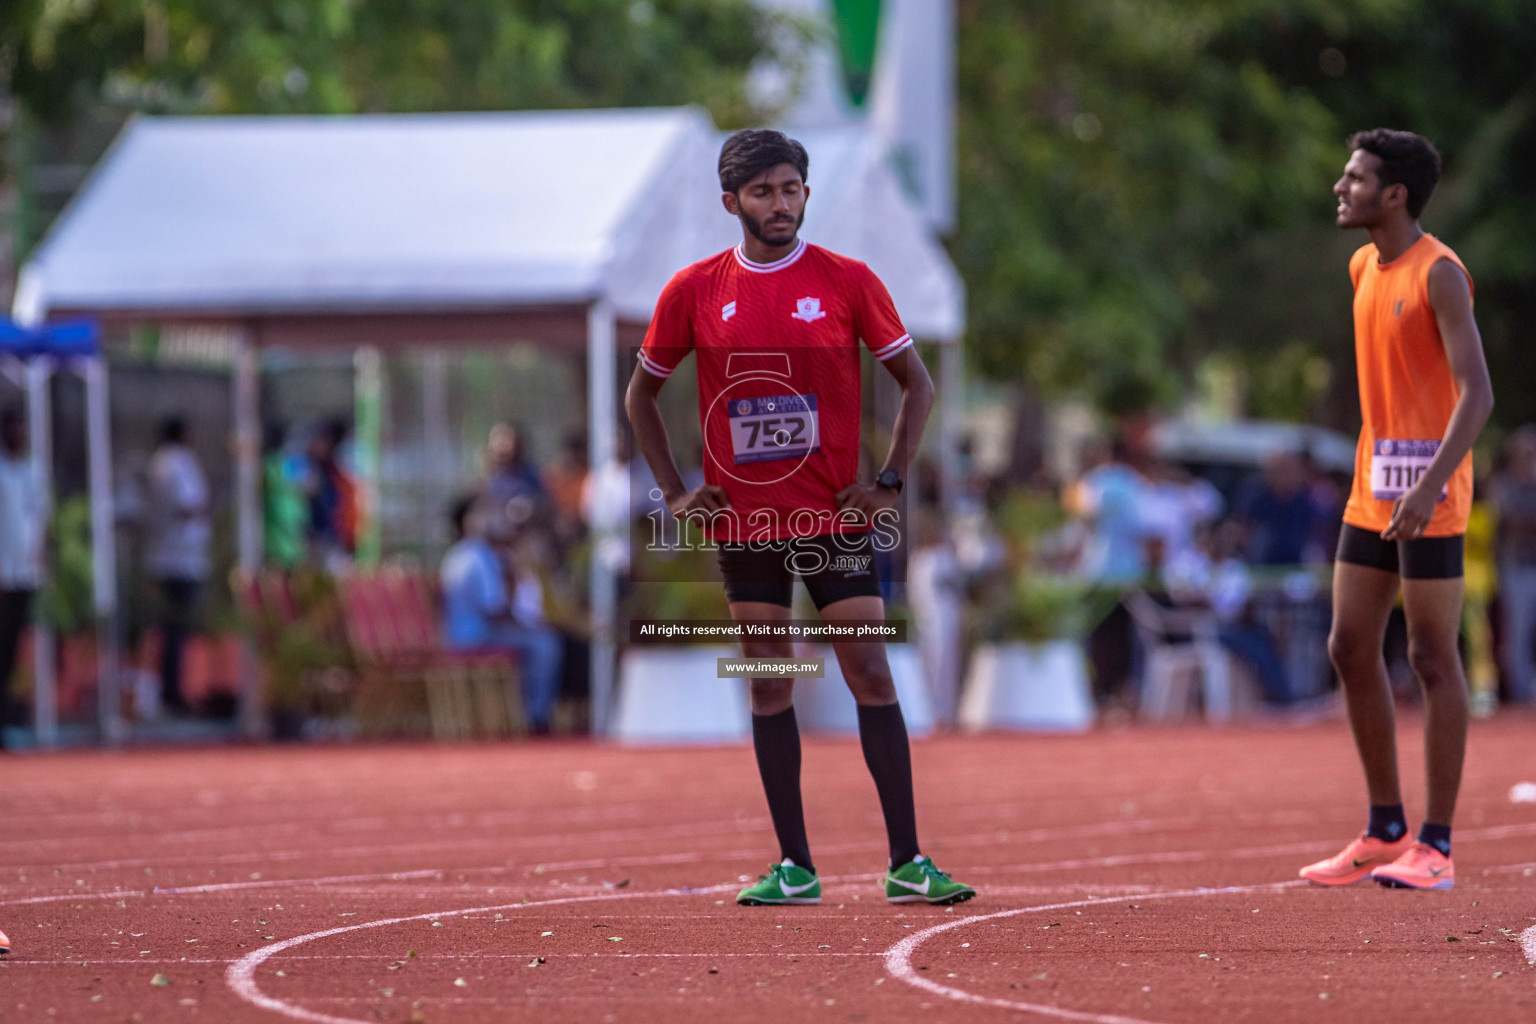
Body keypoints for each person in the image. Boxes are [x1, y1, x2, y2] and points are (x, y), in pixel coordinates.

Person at [625, 128, 975, 907]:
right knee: (769, 685)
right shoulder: (693, 290)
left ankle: (908, 861)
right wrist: (677, 492)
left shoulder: (847, 282)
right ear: (731, 203)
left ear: (806, 193)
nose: (779, 205)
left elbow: (916, 384)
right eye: (762, 193)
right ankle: (795, 866)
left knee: (870, 674)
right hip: (746, 527)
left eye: (790, 189)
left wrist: (887, 482)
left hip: (833, 521)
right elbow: (640, 395)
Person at [1300, 129, 1493, 891]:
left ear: (1395, 195)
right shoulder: (1361, 267)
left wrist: (1429, 483)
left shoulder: (1441, 273)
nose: (1340, 188)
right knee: (1349, 647)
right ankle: (1385, 827)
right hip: (1372, 484)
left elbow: (1477, 394)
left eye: (1354, 178)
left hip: (1434, 491)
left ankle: (1436, 847)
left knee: (1431, 658)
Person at [439, 497, 563, 733]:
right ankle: (536, 716)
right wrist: (525, 624)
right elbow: (494, 609)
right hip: (478, 637)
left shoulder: (457, 555)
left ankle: (527, 711)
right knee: (544, 643)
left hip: (457, 636)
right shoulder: (480, 557)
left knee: (537, 640)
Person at [145, 417, 212, 715]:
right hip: (178, 558)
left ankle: (171, 689)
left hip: (175, 556)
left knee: (176, 629)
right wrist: (208, 507)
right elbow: (188, 505)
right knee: (177, 628)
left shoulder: (166, 462)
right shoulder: (174, 463)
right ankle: (171, 692)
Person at [0, 408, 45, 737]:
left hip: (25, 574)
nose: (20, 435)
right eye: (14, 428)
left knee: (11, 650)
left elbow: (39, 521)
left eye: (23, 428)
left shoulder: (32, 472)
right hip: (2, 572)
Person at [1493, 426, 1536, 704]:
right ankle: (1520, 692)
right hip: (1515, 568)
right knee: (1517, 632)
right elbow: (1509, 523)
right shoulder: (1504, 485)